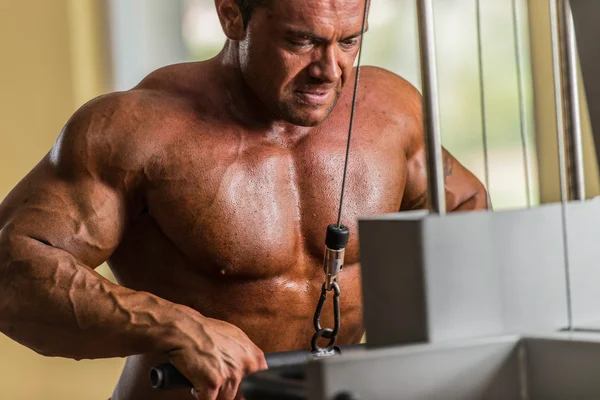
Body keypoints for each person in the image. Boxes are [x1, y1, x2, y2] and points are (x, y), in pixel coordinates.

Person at [0, 0, 488, 399]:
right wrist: (175, 325)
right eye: (301, 41)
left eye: (349, 41)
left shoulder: (391, 112)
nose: (329, 70)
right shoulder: (136, 130)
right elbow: (12, 269)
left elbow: (466, 207)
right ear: (231, 14)